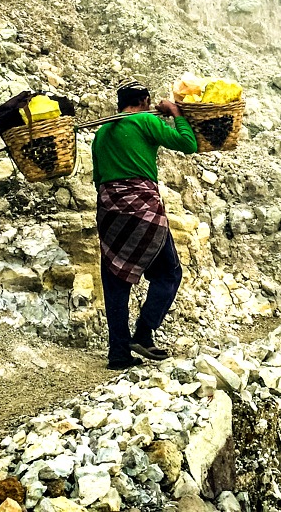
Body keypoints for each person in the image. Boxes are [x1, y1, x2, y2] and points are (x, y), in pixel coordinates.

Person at [92, 80, 198, 369]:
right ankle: (143, 333)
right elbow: (189, 144)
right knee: (169, 274)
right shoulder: (145, 120)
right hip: (143, 212)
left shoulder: (101, 133)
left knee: (115, 281)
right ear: (145, 100)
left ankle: (118, 354)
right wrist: (175, 112)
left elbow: (98, 179)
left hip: (110, 213)